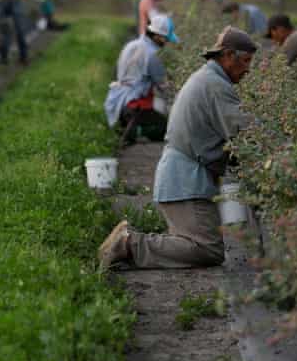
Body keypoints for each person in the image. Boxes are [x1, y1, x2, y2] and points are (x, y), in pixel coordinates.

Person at [98, 27, 257, 271]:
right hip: (186, 183)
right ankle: (130, 244)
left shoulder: (207, 79)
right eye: (245, 61)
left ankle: (131, 242)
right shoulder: (215, 85)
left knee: (197, 245)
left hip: (181, 179)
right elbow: (246, 134)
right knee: (207, 249)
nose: (247, 69)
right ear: (227, 55)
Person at [104, 14, 177, 143]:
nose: (167, 43)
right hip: (134, 105)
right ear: (157, 36)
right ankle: (134, 131)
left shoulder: (131, 45)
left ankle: (125, 126)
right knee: (166, 130)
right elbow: (163, 86)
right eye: (166, 39)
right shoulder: (153, 55)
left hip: (116, 100)